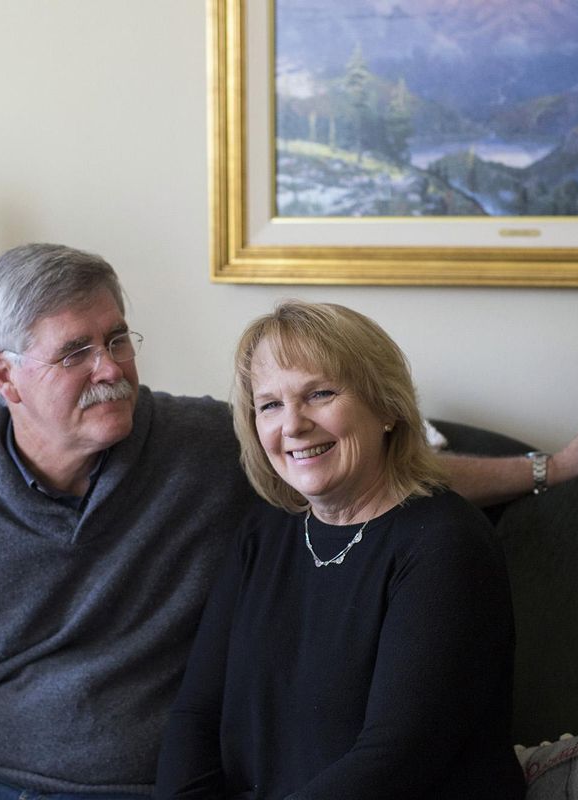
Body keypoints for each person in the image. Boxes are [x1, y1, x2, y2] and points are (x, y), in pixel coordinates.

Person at [0, 244, 578, 800]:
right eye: (76, 351)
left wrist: (549, 469)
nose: (111, 368)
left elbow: (373, 467)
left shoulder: (201, 445)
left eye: (118, 338)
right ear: (4, 376)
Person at [153, 301, 526, 799]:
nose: (293, 424)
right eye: (269, 404)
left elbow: (396, 759)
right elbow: (197, 713)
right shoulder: (265, 532)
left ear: (388, 406)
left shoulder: (446, 543)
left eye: (320, 393)